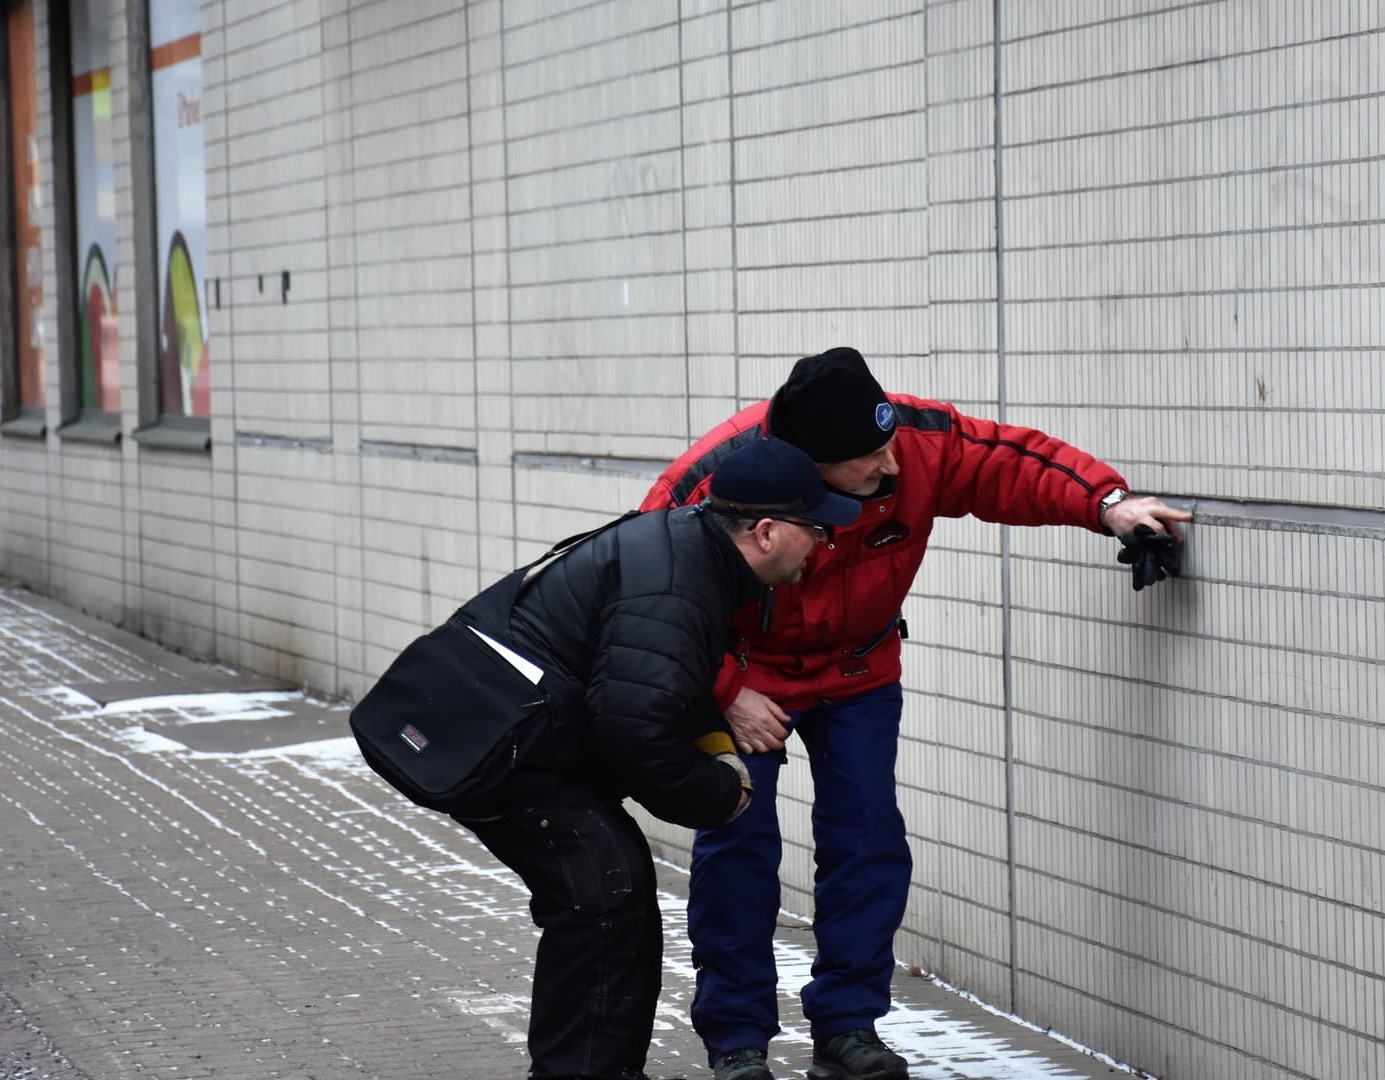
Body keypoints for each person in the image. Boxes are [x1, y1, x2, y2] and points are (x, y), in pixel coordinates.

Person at [641, 348, 1193, 1080]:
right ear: (807, 468)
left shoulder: (908, 440)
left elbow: (1007, 463)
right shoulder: (717, 480)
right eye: (869, 461)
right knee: (738, 847)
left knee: (867, 842)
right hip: (745, 677)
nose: (893, 469)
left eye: (889, 447)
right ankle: (737, 1041)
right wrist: (724, 691)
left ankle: (848, 1028)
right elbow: (649, 600)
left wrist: (1107, 504)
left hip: (859, 670)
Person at [455, 436, 862, 1080]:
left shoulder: (695, 556)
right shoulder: (682, 581)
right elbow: (632, 729)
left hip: (513, 741)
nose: (823, 545)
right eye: (814, 530)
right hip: (489, 746)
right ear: (764, 532)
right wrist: (721, 795)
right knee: (604, 898)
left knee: (610, 895)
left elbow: (641, 696)